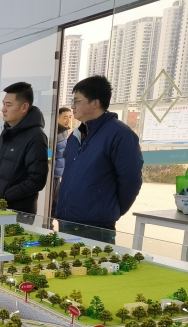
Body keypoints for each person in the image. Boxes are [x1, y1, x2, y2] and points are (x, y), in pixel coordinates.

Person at [56, 75, 143, 243]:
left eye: (77, 101)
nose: (72, 106)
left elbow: (131, 180)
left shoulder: (120, 134)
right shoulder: (75, 135)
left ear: (95, 103)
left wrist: (109, 210)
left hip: (96, 226)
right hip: (67, 219)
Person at [0, 82, 48, 219]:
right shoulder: (7, 132)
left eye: (8, 105)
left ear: (24, 107)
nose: (3, 109)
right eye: (3, 104)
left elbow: (37, 180)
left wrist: (5, 196)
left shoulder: (35, 136)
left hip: (18, 213)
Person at [51, 107, 72, 218]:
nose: (68, 120)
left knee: (56, 204)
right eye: (65, 117)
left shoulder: (64, 132)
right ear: (57, 118)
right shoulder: (53, 133)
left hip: (57, 175)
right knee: (52, 204)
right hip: (51, 175)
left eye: (70, 117)